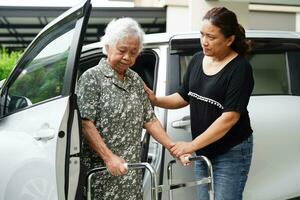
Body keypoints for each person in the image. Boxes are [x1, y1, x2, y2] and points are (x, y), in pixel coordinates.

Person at [144, 7, 254, 200]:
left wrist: (191, 145)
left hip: (231, 152)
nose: (204, 41)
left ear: (229, 40)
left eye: (211, 37)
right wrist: (156, 100)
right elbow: (183, 96)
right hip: (204, 149)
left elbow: (230, 118)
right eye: (202, 34)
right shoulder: (197, 59)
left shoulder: (240, 69)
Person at [76, 17, 174, 200]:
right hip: (103, 173)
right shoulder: (92, 78)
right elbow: (85, 123)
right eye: (122, 51)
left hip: (131, 172)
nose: (128, 57)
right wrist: (109, 157)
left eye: (134, 52)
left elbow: (149, 119)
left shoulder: (135, 79)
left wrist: (172, 146)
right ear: (108, 46)